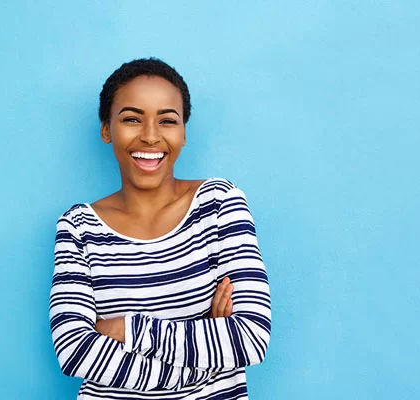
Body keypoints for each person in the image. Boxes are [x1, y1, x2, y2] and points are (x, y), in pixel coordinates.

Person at [49, 58, 271, 399]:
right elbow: (74, 350)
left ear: (183, 133)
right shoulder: (79, 227)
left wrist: (126, 329)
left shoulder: (219, 204)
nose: (151, 136)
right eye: (131, 119)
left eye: (167, 120)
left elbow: (250, 338)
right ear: (107, 129)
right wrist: (204, 361)